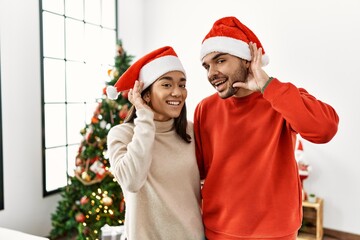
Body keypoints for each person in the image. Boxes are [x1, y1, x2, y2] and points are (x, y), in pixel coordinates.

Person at [194, 16, 339, 240]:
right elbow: (200, 171)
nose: (211, 73)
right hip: (218, 230)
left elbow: (325, 129)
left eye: (220, 60)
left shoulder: (281, 98)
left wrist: (267, 86)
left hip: (275, 232)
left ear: (247, 59)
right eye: (207, 66)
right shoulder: (206, 108)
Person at [106, 46, 205, 240]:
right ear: (146, 94)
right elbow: (131, 181)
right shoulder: (121, 135)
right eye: (167, 85)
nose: (178, 92)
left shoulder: (192, 132)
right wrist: (144, 117)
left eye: (182, 85)